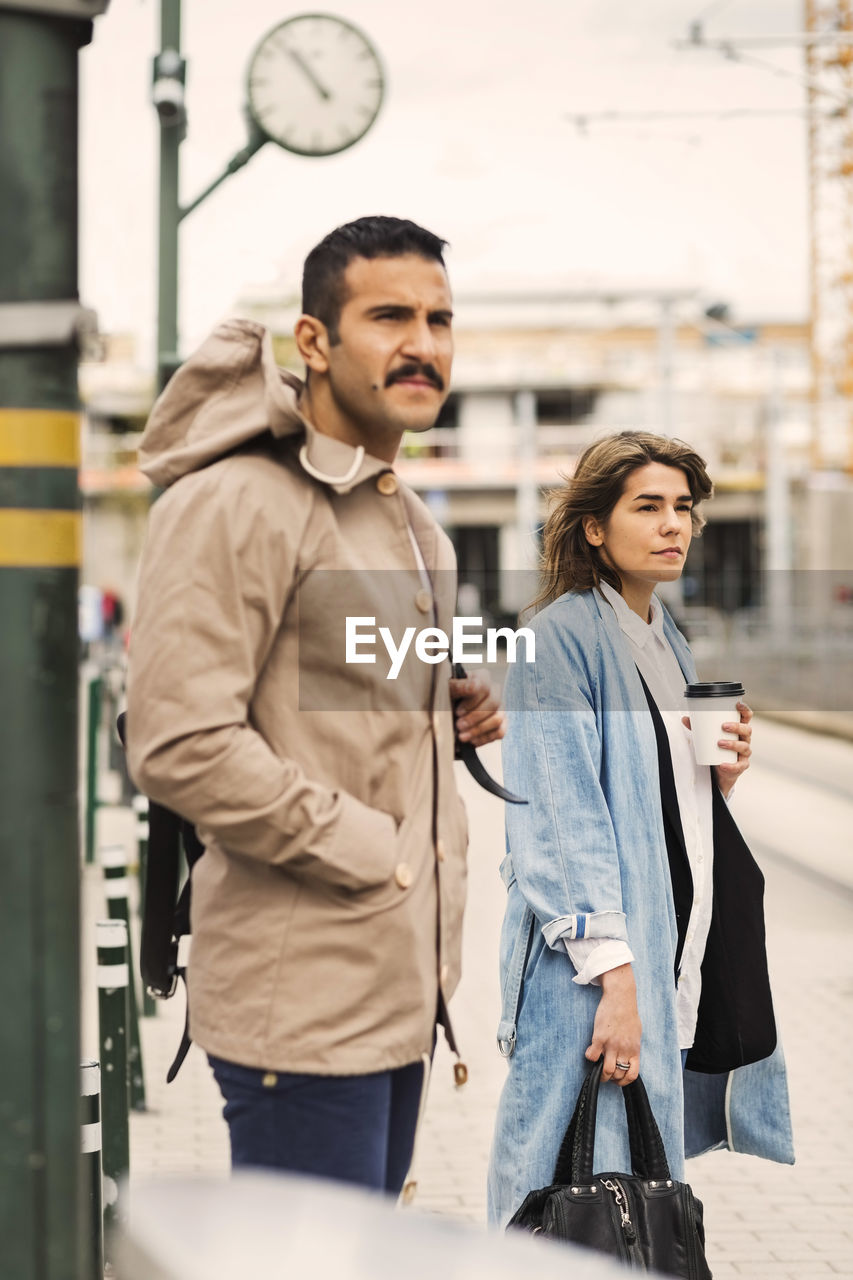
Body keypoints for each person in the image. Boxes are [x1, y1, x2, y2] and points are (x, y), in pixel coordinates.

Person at [126, 216, 506, 1196]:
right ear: (314, 341)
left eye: (439, 319)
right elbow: (182, 743)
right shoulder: (234, 503)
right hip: (300, 1000)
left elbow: (322, 691)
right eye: (388, 316)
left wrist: (444, 701)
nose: (422, 343)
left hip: (397, 986)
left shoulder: (408, 521)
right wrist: (373, 849)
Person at [487, 431, 794, 1226]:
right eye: (647, 507)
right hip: (587, 968)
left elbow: (657, 799)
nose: (673, 527)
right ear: (594, 527)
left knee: (621, 1193)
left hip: (654, 953)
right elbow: (558, 816)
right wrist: (615, 978)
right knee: (555, 1190)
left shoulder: (666, 639)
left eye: (683, 508)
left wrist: (715, 775)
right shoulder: (556, 640)